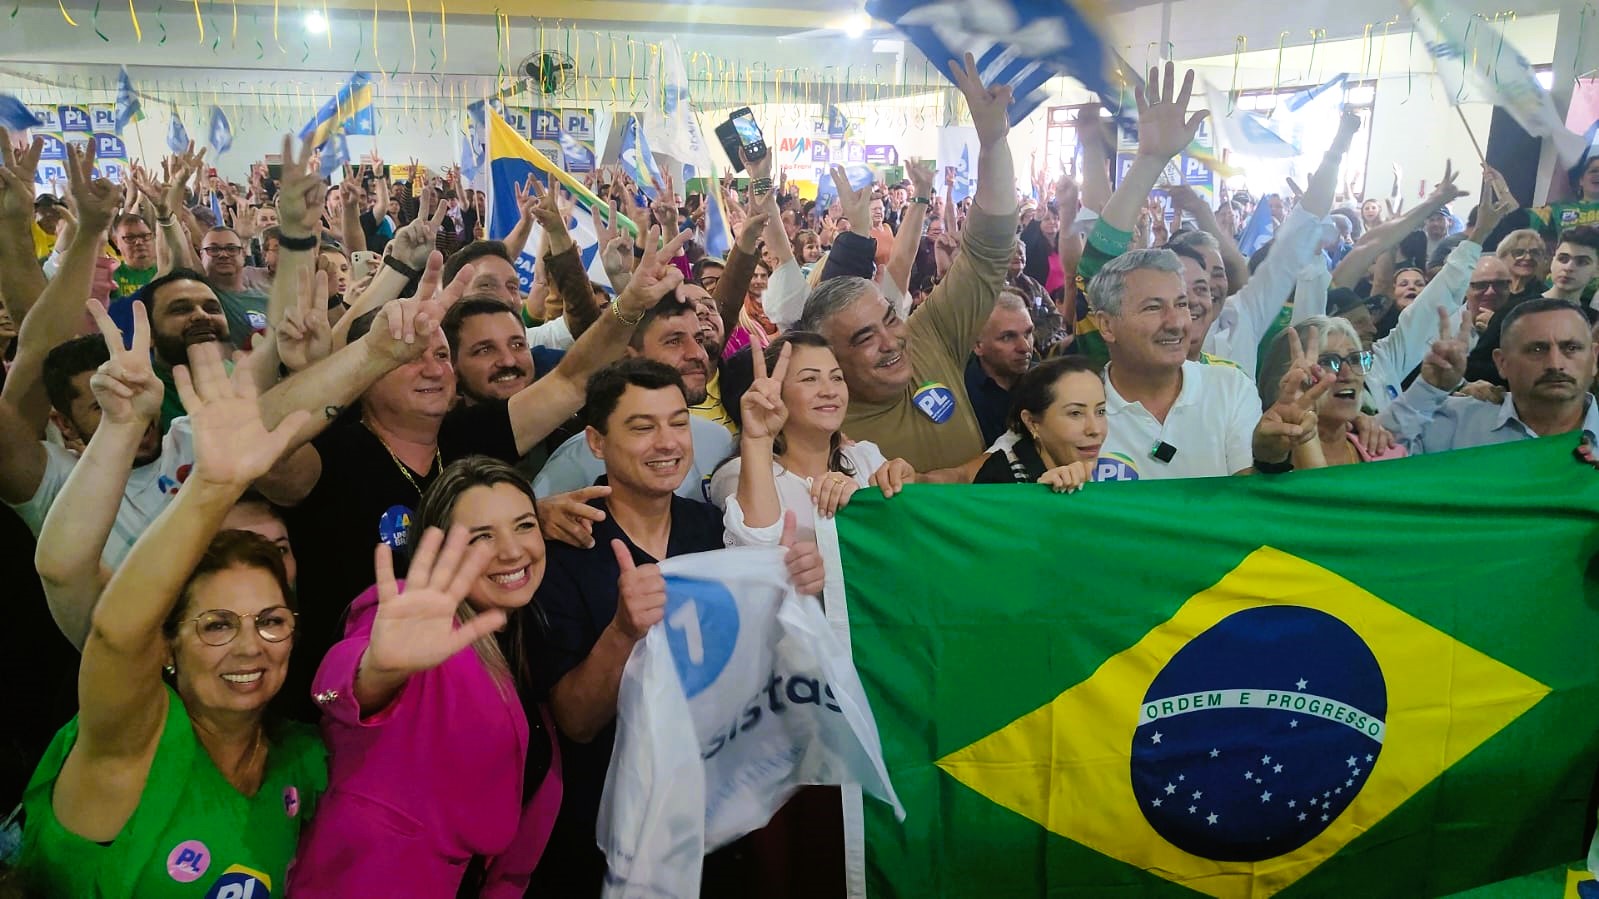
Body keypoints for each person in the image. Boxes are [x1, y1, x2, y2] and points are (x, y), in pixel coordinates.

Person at [13, 341, 326, 897]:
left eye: (271, 621)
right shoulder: (131, 741)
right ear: (168, 645)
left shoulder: (297, 757)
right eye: (216, 625)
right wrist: (210, 485)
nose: (250, 646)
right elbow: (86, 598)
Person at [521, 358, 826, 894]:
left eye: (678, 422)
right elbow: (575, 721)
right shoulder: (561, 551)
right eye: (642, 427)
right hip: (614, 836)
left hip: (720, 825)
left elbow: (762, 664)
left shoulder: (710, 527)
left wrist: (793, 587)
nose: (667, 443)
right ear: (596, 442)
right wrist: (622, 633)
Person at [290, 458, 562, 896]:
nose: (512, 550)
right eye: (481, 537)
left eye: (524, 525)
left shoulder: (522, 629)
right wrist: (375, 672)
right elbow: (331, 691)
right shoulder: (407, 615)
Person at [795, 52, 1019, 474]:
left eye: (889, 319)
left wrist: (993, 145)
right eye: (864, 338)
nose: (892, 341)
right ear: (831, 360)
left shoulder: (928, 335)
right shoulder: (818, 430)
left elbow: (989, 250)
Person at [1088, 249, 1328, 480]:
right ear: (1107, 325)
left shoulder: (1230, 388)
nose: (1176, 323)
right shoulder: (1078, 404)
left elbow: (1247, 496)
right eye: (1153, 308)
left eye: (1181, 305)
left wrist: (1270, 454)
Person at [534, 292, 735, 505]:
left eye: (699, 340)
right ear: (628, 357)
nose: (698, 354)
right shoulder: (575, 464)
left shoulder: (720, 440)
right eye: (674, 341)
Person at [1384, 299, 1599, 453]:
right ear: (1501, 362)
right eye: (1537, 349)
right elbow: (1373, 461)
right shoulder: (1453, 422)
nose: (1555, 364)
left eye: (1571, 348)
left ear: (1595, 358)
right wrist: (1428, 389)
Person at [1259, 317, 1408, 467]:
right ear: (1284, 378)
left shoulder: (1388, 455)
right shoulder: (1266, 462)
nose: (1347, 374)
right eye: (1326, 362)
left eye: (1355, 359)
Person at [1468, 226, 1599, 385]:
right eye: (1563, 259)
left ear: (1596, 270)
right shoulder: (1516, 309)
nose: (1569, 267)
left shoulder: (1594, 322)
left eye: (1582, 262)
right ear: (1552, 261)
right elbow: (1475, 365)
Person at [974, 356, 1107, 491]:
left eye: (1100, 411)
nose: (1095, 429)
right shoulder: (1000, 479)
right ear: (1032, 422)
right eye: (1075, 413)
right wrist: (1039, 497)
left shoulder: (1109, 473)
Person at [964, 292, 1037, 446]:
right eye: (1008, 337)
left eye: (1028, 333)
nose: (1025, 347)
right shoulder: (961, 393)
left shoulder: (1048, 382)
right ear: (977, 345)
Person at [198, 227, 272, 352]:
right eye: (214, 249)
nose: (223, 254)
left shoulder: (267, 301)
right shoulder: (200, 296)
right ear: (201, 256)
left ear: (243, 254)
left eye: (231, 249)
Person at [110, 213, 159, 297]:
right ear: (116, 241)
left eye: (145, 236)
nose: (139, 242)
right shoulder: (111, 275)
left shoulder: (166, 271)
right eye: (130, 238)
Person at [1496, 228, 1550, 300]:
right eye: (1519, 252)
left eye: (1534, 253)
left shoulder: (1544, 296)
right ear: (1502, 257)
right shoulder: (1493, 290)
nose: (1528, 257)